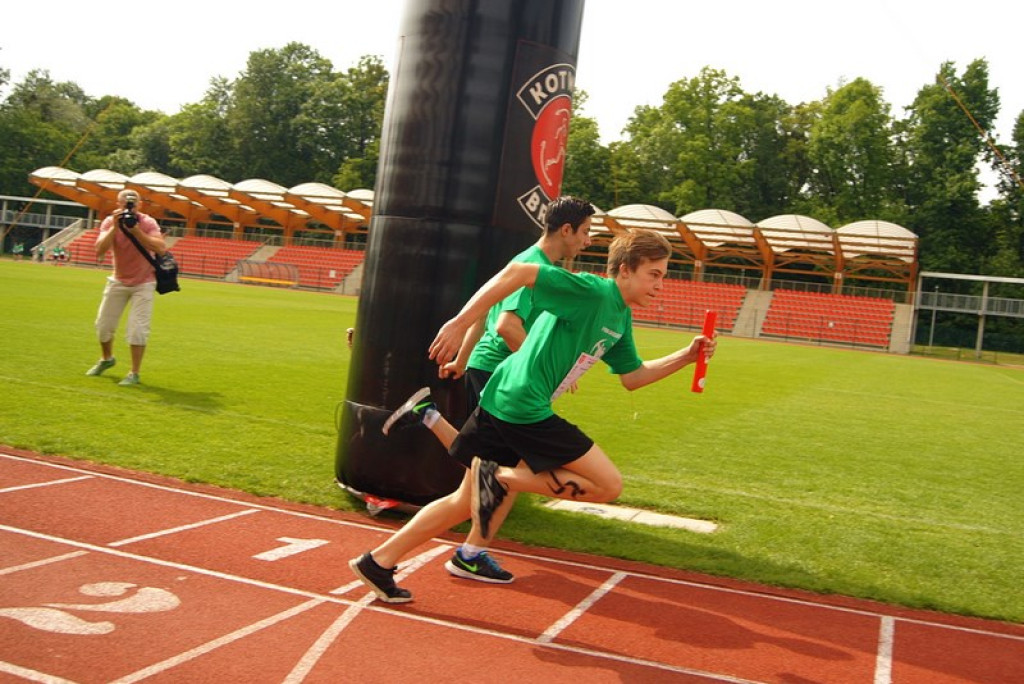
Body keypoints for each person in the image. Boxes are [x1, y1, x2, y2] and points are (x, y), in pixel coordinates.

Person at [349, 228, 716, 603]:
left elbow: (633, 377)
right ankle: (503, 479)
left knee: (465, 499)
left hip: (502, 399)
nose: (660, 284)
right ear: (624, 270)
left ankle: (378, 561)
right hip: (523, 406)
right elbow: (520, 273)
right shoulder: (591, 291)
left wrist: (685, 357)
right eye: (654, 274)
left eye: (663, 276)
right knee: (608, 485)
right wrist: (460, 323)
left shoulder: (619, 318)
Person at [369, 196, 595, 589]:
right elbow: (507, 326)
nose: (589, 241)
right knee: (487, 478)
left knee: (486, 477)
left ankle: (463, 551)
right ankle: (456, 553)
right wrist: (544, 365)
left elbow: (489, 309)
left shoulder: (532, 264)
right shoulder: (536, 267)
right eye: (587, 232)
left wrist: (464, 358)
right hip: (502, 376)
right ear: (566, 230)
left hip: (495, 370)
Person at [84, 189, 167, 386]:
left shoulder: (147, 222)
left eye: (133, 204)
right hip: (118, 280)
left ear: (140, 205)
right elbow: (99, 250)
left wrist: (136, 230)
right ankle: (107, 358)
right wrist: (115, 226)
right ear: (118, 204)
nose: (129, 208)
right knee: (103, 326)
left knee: (138, 329)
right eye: (125, 204)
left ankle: (134, 373)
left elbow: (160, 247)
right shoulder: (109, 221)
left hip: (144, 282)